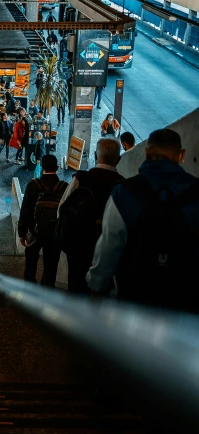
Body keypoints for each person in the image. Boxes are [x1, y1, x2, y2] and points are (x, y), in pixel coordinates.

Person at [86, 129, 199, 311]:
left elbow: (109, 245)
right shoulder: (196, 192)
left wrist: (96, 286)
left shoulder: (124, 192)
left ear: (146, 153)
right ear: (182, 155)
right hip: (183, 302)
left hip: (133, 298)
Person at [57, 137, 125, 294]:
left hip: (77, 245)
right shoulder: (123, 185)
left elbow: (62, 208)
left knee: (76, 287)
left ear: (95, 155)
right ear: (119, 159)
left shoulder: (80, 178)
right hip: (108, 250)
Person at [18, 154, 68, 287]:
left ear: (42, 167)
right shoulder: (64, 187)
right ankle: (46, 291)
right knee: (51, 266)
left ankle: (29, 290)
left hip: (34, 232)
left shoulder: (33, 185)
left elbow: (25, 210)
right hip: (55, 234)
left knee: (30, 265)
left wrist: (22, 233)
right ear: (57, 167)